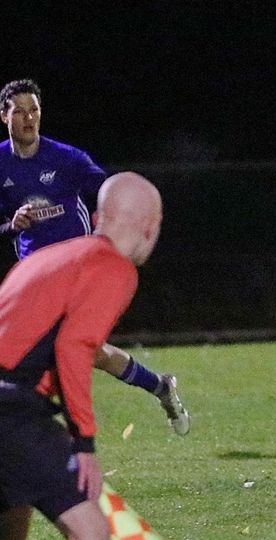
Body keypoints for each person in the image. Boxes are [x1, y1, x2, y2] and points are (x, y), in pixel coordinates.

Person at [0, 79, 189, 435]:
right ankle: (160, 386)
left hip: (77, 276)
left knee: (64, 350)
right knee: (82, 352)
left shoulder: (66, 159)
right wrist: (12, 226)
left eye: (35, 110)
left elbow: (109, 196)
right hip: (33, 276)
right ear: (3, 116)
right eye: (20, 110)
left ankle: (49, 434)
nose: (29, 118)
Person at [0, 172, 162, 539]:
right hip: (12, 410)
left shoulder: (48, 258)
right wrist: (84, 442)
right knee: (93, 531)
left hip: (9, 412)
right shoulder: (113, 267)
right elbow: (73, 347)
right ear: (151, 228)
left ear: (98, 216)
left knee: (14, 515)